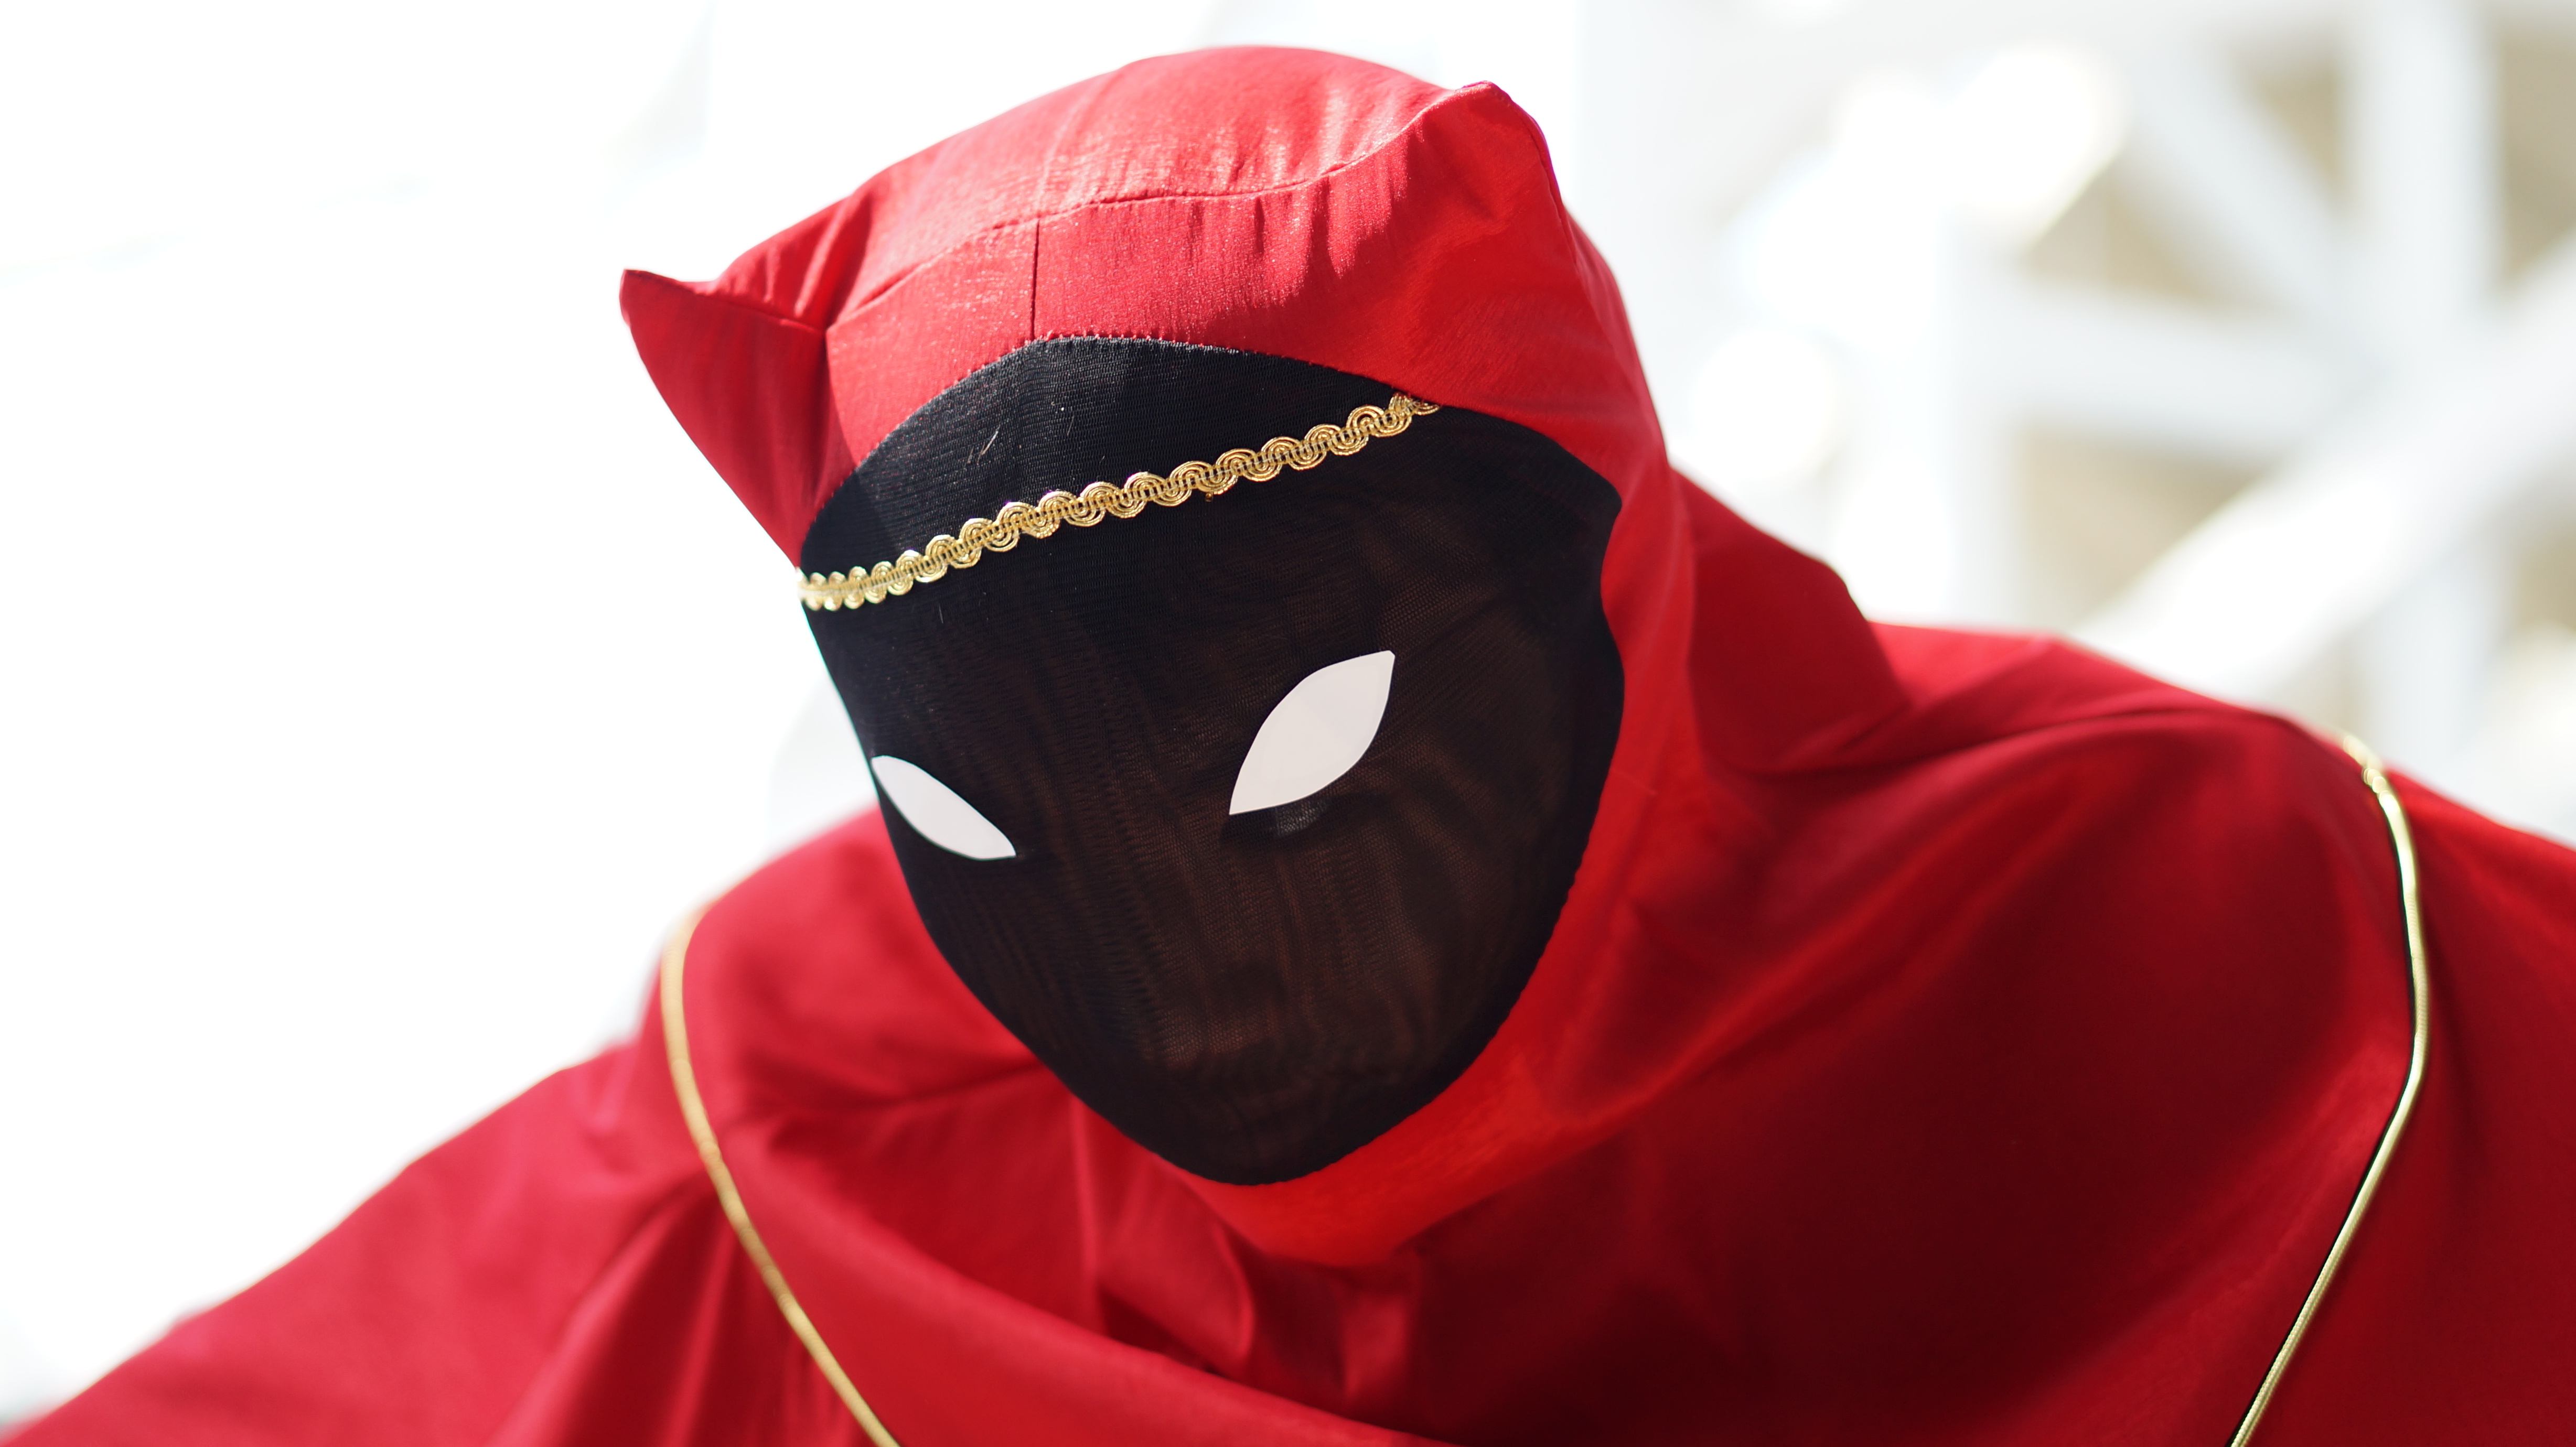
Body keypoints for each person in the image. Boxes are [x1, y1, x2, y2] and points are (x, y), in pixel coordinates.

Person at [17, 46, 2576, 1447]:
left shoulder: (2245, 941)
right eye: (979, 817)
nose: (1197, 967)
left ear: (1598, 569)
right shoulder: (787, 1132)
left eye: (1301, 746)